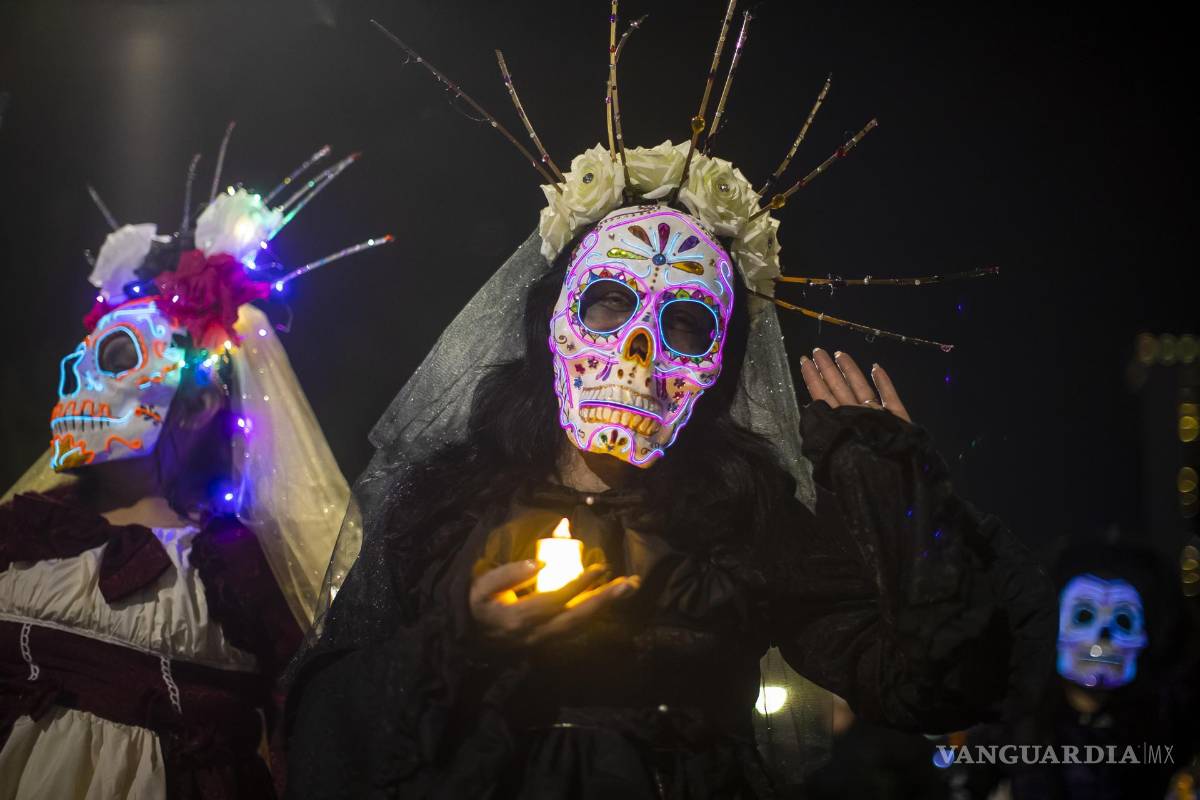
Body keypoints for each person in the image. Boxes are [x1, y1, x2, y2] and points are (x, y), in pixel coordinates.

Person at [284, 14, 1055, 799]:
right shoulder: (447, 501)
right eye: (610, 305)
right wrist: (461, 642)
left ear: (719, 366)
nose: (641, 355)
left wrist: (898, 493)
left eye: (685, 323)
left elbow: (931, 682)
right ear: (551, 321)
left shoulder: (746, 519)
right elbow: (320, 721)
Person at [0, 132, 387, 798]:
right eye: (85, 352)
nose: (76, 375)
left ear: (200, 403)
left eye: (116, 357)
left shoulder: (238, 576)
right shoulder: (25, 534)